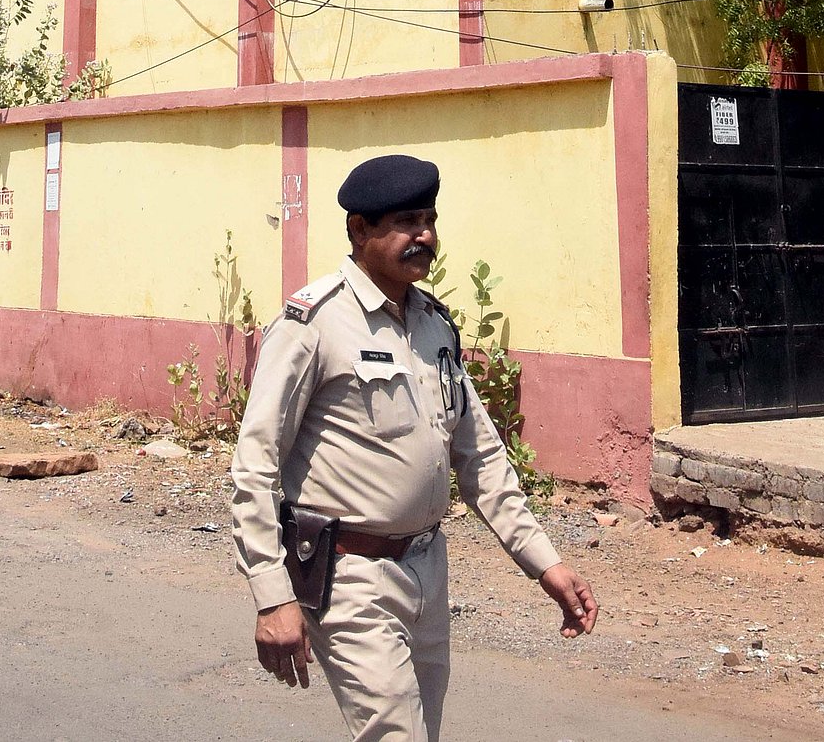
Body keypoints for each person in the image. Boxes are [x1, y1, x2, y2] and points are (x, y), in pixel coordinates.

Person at [231, 153, 598, 740]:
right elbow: (255, 465)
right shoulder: (314, 324)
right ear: (360, 230)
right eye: (406, 222)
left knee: (421, 732)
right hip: (348, 577)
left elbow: (479, 457)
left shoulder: (433, 324)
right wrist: (272, 595)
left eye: (429, 220)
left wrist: (545, 563)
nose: (424, 236)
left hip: (426, 569)